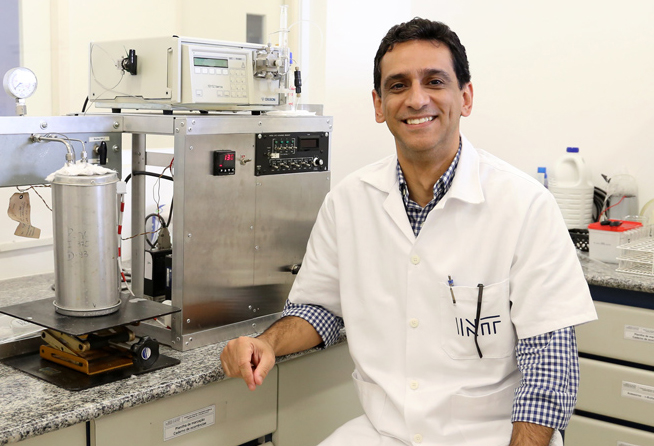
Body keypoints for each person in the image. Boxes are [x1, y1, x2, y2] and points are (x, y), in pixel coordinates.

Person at [221, 17, 597, 446]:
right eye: (398, 86)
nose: (417, 100)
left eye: (434, 81)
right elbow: (319, 310)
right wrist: (266, 343)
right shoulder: (348, 202)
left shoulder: (526, 206)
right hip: (385, 433)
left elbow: (549, 372)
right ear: (379, 105)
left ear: (465, 97)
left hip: (491, 435)